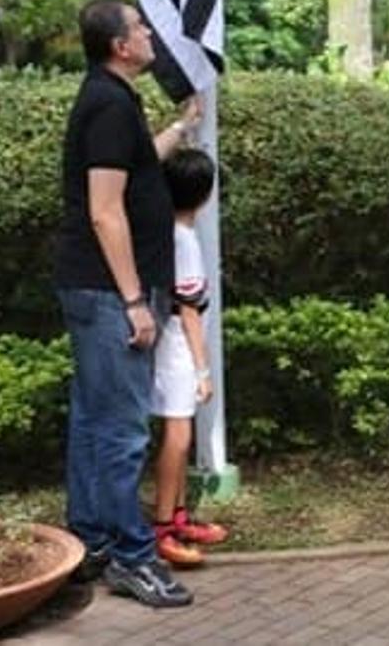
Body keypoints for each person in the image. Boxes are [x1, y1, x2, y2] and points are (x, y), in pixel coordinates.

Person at [54, 0, 201, 608]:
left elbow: (135, 171)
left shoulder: (110, 100)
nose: (148, 34)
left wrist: (180, 128)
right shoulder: (109, 106)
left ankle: (90, 540)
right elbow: (105, 210)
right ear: (120, 46)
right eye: (140, 28)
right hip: (112, 293)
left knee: (94, 420)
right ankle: (131, 558)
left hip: (97, 289)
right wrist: (137, 300)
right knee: (120, 432)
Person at [150, 147, 232, 567]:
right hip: (177, 348)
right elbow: (188, 311)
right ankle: (163, 527)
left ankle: (179, 516)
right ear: (204, 194)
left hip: (173, 345)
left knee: (181, 436)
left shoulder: (171, 232)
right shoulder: (183, 241)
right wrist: (202, 369)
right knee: (178, 436)